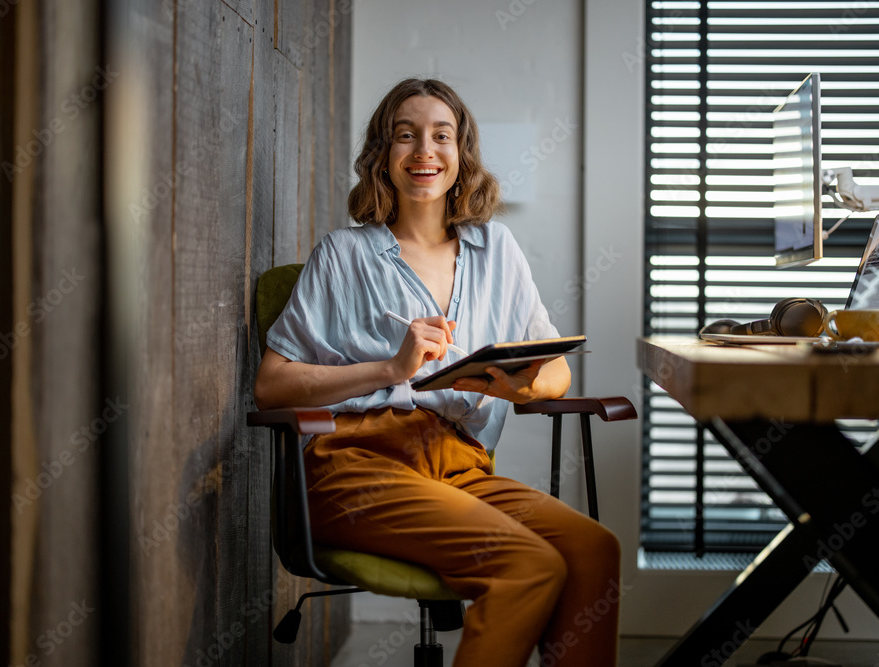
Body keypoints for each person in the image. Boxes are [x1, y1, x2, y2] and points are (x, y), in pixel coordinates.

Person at [254, 78, 620, 667]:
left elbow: (553, 368)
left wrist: (520, 384)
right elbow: (271, 384)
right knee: (529, 565)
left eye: (441, 136)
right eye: (406, 135)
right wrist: (390, 367)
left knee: (594, 550)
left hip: (456, 465)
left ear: (461, 153)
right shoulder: (342, 255)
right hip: (354, 465)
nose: (424, 150)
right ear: (383, 155)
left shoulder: (497, 248)